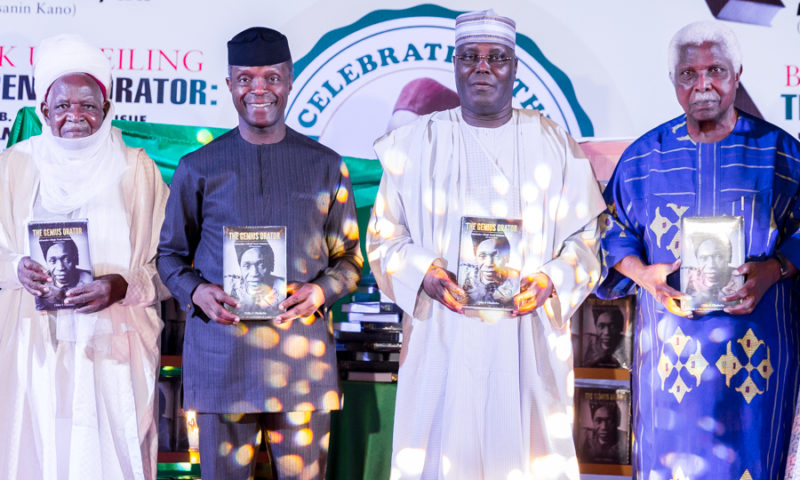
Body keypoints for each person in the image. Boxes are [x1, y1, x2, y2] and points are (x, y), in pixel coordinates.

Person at [366, 9, 605, 479]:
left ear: (514, 68)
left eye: (496, 57)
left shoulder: (552, 142)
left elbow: (587, 239)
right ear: (454, 65)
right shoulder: (417, 144)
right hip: (442, 339)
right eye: (470, 56)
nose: (482, 67)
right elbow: (385, 238)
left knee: (527, 458)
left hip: (527, 340)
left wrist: (551, 280)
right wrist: (425, 274)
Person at [157, 26, 362, 480]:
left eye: (271, 76)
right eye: (245, 78)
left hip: (300, 364)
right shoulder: (198, 167)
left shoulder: (326, 165)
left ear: (289, 79)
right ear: (229, 85)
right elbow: (169, 257)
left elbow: (349, 261)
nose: (259, 89)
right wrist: (198, 293)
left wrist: (320, 291)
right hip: (221, 360)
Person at [598, 20, 800, 479]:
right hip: (669, 360)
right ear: (674, 81)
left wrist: (776, 268)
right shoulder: (643, 158)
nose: (703, 84)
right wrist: (641, 274)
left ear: (737, 74)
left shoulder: (781, 154)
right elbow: (613, 233)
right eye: (689, 74)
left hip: (759, 356)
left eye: (716, 70)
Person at [0, 34, 169, 479]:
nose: (75, 116)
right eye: (62, 106)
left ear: (107, 107)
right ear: (44, 110)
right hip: (34, 346)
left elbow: (169, 263)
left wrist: (123, 286)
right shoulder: (14, 166)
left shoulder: (137, 169)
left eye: (88, 105)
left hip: (114, 346)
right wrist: (17, 267)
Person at [228, 243, 282, 310]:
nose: (254, 273)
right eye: (247, 265)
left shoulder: (282, 288)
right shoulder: (231, 285)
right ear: (240, 267)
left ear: (271, 266)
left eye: (261, 264)